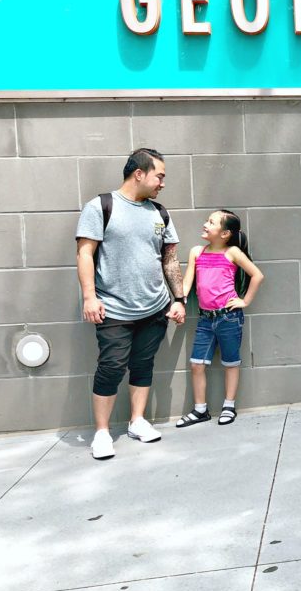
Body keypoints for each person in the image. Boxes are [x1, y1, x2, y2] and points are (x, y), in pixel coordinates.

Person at [76, 148, 186, 460]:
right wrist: (89, 297)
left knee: (143, 365)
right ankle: (101, 432)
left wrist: (179, 299)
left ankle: (137, 421)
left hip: (154, 308)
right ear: (139, 173)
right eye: (159, 175)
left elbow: (170, 259)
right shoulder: (101, 206)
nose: (162, 183)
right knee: (110, 367)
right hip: (114, 309)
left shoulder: (159, 213)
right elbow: (85, 253)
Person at [176, 210, 263, 427]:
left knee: (230, 363)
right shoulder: (197, 252)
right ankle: (200, 410)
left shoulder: (232, 252)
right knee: (197, 364)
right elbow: (187, 282)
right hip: (205, 320)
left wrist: (244, 301)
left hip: (229, 318)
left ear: (224, 233)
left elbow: (257, 275)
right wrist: (180, 300)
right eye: (207, 220)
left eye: (211, 222)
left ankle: (229, 406)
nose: (205, 224)